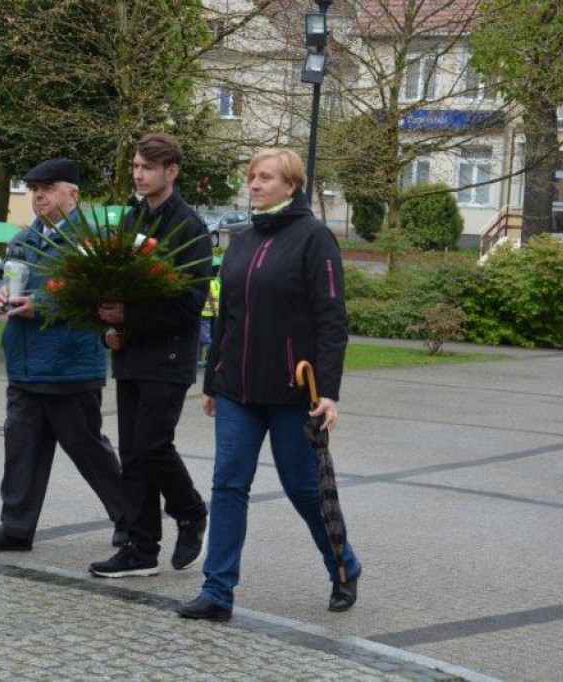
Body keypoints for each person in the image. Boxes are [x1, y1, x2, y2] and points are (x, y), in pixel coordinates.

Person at [176, 148, 361, 621]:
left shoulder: (314, 239)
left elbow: (331, 321)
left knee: (303, 488)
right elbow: (225, 317)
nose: (254, 185)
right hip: (237, 388)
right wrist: (213, 378)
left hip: (292, 390)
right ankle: (217, 591)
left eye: (265, 178)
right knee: (228, 484)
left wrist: (330, 392)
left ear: (292, 185)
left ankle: (342, 563)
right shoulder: (240, 241)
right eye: (252, 177)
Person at [0, 157, 127, 553]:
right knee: (20, 449)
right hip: (24, 364)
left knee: (89, 451)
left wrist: (43, 303)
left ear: (72, 195)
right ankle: (16, 528)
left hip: (69, 365)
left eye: (48, 188)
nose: (39, 195)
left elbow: (97, 294)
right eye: (34, 188)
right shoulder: (24, 238)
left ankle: (130, 519)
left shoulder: (90, 240)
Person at [89, 133, 212, 579]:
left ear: (171, 171)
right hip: (132, 354)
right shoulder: (132, 219)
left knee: (153, 446)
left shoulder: (189, 227)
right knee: (133, 454)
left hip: (170, 355)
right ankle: (140, 550)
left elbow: (189, 303)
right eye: (136, 167)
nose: (138, 174)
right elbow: (116, 285)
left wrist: (131, 315)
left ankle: (191, 511)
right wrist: (112, 327)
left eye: (147, 167)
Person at [197, 256, 221, 368]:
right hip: (212, 314)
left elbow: (212, 298)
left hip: (207, 314)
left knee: (205, 339)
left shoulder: (210, 282)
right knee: (207, 338)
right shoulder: (216, 282)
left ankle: (210, 359)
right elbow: (214, 298)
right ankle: (207, 359)